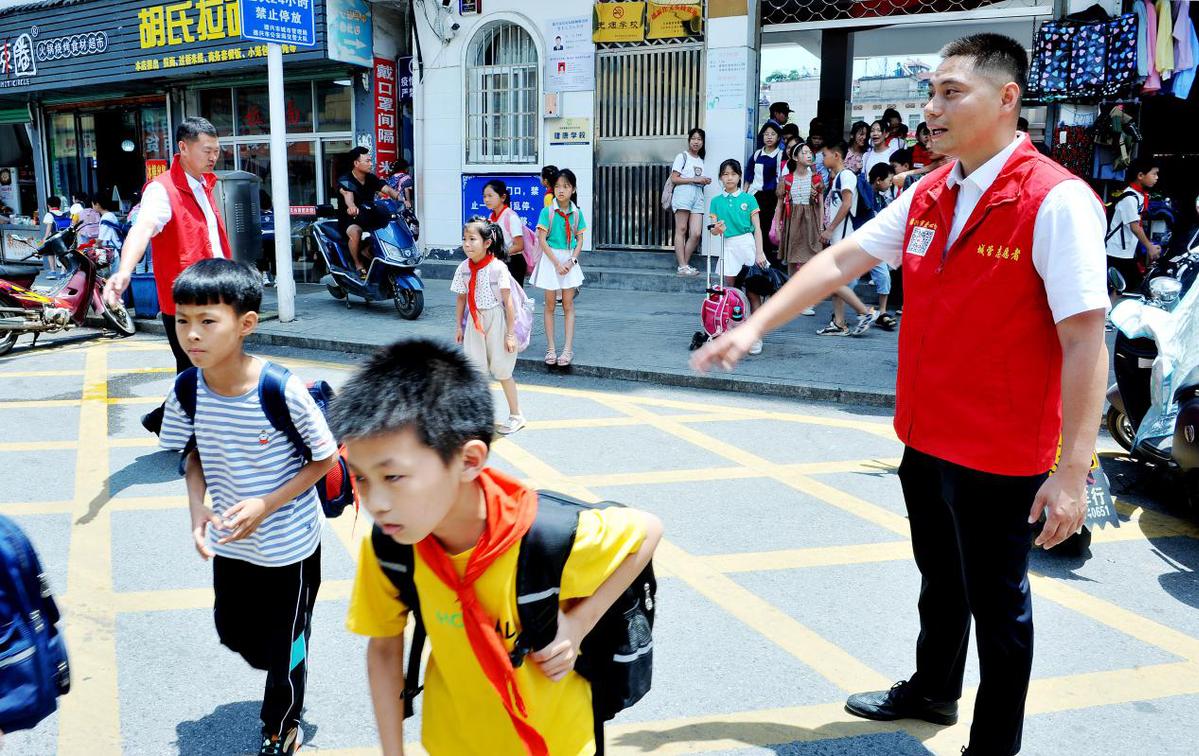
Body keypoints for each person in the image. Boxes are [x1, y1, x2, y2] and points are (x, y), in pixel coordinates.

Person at [694, 34, 1109, 756]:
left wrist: (1072, 470)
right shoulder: (932, 189)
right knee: (938, 577)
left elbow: (1083, 340)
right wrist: (753, 323)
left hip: (1000, 449)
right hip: (926, 434)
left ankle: (993, 746)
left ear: (1006, 98)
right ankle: (931, 689)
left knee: (998, 608)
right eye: (931, 92)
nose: (932, 108)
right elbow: (838, 260)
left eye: (952, 92)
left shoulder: (1055, 201)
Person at [333, 338, 663, 756]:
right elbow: (383, 647)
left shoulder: (543, 534)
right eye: (361, 478)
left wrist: (579, 624)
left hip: (559, 743)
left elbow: (647, 530)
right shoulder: (392, 547)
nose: (376, 504)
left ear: (469, 460)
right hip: (452, 742)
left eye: (394, 477)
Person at [158, 259, 338, 756]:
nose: (191, 335)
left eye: (207, 321)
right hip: (233, 543)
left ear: (246, 325)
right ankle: (279, 664)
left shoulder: (279, 388)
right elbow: (190, 454)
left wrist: (266, 503)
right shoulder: (187, 389)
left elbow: (324, 458)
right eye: (182, 321)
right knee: (234, 634)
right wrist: (197, 510)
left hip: (290, 547)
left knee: (286, 646)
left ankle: (281, 726)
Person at [104, 116, 232, 436]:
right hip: (186, 306)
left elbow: (212, 241)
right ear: (183, 148)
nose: (213, 156)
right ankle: (196, 436)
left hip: (216, 295)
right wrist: (124, 271)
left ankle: (164, 420)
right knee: (201, 370)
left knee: (198, 370)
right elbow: (143, 229)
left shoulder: (205, 184)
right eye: (207, 150)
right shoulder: (161, 191)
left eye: (216, 150)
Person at [453, 217, 526, 435]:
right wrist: (459, 326)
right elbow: (460, 298)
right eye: (464, 239)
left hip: (497, 321)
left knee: (503, 370)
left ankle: (516, 415)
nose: (467, 244)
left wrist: (510, 334)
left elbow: (508, 302)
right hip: (474, 322)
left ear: (487, 243)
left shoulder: (498, 268)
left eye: (472, 239)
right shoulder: (463, 268)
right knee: (475, 372)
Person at [709, 158, 769, 355]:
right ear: (720, 177)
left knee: (753, 292)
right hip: (728, 246)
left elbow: (758, 228)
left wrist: (760, 252)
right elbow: (714, 231)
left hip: (748, 245)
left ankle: (755, 336)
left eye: (733, 174)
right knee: (729, 293)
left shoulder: (749, 199)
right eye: (725, 174)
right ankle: (731, 333)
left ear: (739, 176)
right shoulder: (716, 202)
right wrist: (717, 230)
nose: (729, 178)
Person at [818, 141, 877, 337]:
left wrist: (830, 229)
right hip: (839, 238)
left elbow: (847, 203)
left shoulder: (846, 175)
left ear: (836, 155)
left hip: (844, 237)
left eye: (825, 154)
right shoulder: (838, 178)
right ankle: (839, 322)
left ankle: (865, 312)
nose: (822, 158)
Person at [530, 168, 585, 368]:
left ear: (573, 189)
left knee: (568, 305)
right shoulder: (547, 212)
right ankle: (551, 348)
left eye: (566, 186)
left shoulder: (577, 213)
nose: (561, 190)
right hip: (550, 260)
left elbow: (580, 240)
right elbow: (542, 240)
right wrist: (556, 263)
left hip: (569, 261)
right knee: (550, 305)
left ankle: (567, 349)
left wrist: (571, 261)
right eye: (558, 186)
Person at [337, 146, 404, 279]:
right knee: (355, 232)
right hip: (350, 218)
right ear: (356, 163)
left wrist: (400, 198)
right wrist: (351, 207)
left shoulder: (371, 178)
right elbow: (348, 196)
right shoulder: (346, 180)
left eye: (370, 160)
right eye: (367, 161)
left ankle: (368, 251)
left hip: (368, 215)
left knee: (386, 228)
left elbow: (388, 190)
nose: (371, 163)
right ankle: (358, 265)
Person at [1106, 157, 1160, 295]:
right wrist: (1149, 247)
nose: (1156, 177)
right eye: (1154, 174)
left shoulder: (1139, 196)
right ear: (1140, 175)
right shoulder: (1129, 198)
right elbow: (1135, 227)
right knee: (1118, 287)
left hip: (1126, 251)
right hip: (1116, 251)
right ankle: (1108, 313)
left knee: (1123, 287)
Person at [776, 143, 823, 292]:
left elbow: (821, 205)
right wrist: (778, 226)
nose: (809, 155)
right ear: (795, 157)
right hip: (792, 222)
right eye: (804, 152)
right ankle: (792, 293)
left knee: (811, 260)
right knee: (792, 258)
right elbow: (780, 205)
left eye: (810, 152)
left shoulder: (816, 179)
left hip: (812, 222)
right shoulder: (787, 179)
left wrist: (821, 227)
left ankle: (806, 297)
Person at [669, 127, 710, 277]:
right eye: (693, 138)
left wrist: (703, 181)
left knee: (696, 233)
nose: (696, 142)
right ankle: (683, 265)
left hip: (697, 194)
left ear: (703, 142)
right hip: (683, 194)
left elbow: (697, 178)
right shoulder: (682, 156)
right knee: (681, 230)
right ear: (689, 140)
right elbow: (674, 178)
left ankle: (683, 265)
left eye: (699, 139)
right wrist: (695, 179)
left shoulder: (701, 160)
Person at [746, 122, 785, 266]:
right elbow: (749, 177)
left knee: (768, 229)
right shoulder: (757, 154)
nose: (769, 137)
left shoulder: (780, 155)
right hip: (755, 196)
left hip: (771, 197)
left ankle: (767, 262)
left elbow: (781, 177)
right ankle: (755, 260)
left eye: (773, 134)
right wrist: (744, 195)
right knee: (755, 228)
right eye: (766, 134)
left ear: (778, 137)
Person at [866, 163, 899, 331]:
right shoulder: (864, 192)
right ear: (878, 180)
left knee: (884, 276)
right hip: (862, 242)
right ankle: (841, 315)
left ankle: (883, 312)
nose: (891, 183)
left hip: (876, 244)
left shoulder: (880, 197)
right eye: (889, 180)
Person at [482, 179, 529, 285]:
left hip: (513, 263)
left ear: (503, 197)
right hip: (498, 261)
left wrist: (499, 254)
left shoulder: (511, 217)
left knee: (512, 299)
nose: (486, 200)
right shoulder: (491, 217)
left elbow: (519, 245)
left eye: (490, 196)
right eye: (484, 196)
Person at [41, 196, 70, 279]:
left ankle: (53, 271)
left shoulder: (49, 214)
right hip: (64, 237)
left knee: (50, 252)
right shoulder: (64, 214)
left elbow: (49, 227)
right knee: (63, 254)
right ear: (59, 205)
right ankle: (63, 272)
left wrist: (45, 237)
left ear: (48, 205)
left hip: (54, 237)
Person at [808, 118, 831, 185]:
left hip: (824, 183)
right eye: (814, 138)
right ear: (810, 138)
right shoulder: (806, 151)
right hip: (810, 184)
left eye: (820, 139)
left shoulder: (826, 151)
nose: (817, 141)